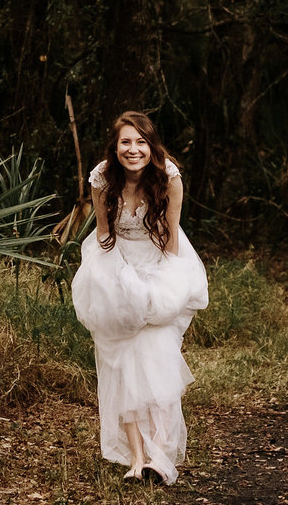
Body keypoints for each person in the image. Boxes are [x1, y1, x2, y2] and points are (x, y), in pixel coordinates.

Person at [69, 110, 209, 484]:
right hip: (116, 268)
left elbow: (173, 238)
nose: (133, 150)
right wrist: (111, 287)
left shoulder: (168, 178)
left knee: (158, 360)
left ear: (151, 145)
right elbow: (102, 235)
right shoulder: (102, 179)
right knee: (123, 362)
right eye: (125, 142)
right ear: (115, 148)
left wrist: (166, 289)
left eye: (141, 142)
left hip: (159, 266)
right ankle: (135, 458)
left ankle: (160, 457)